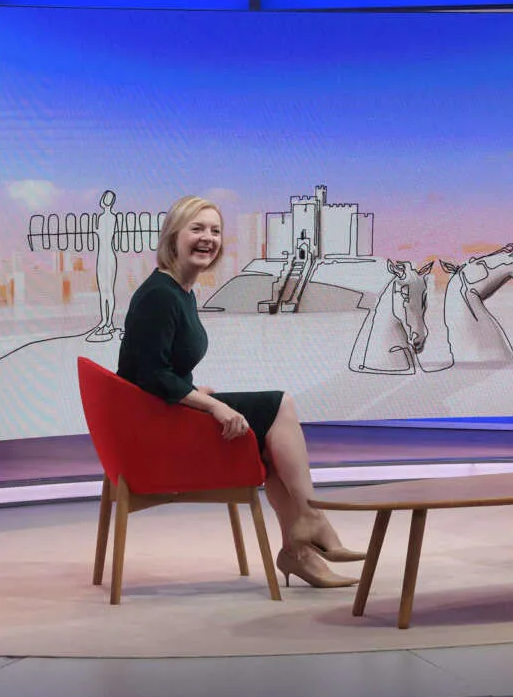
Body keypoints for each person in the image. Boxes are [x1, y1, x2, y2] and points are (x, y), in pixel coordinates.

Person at [117, 195, 365, 588]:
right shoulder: (159, 295)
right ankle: (310, 522)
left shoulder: (182, 290)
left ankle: (301, 551)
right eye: (197, 229)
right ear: (173, 236)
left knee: (273, 440)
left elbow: (159, 370)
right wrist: (211, 405)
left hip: (164, 417)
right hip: (154, 434)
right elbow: (151, 376)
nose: (208, 238)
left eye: (215, 231)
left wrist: (195, 392)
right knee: (279, 405)